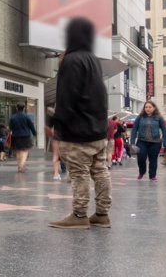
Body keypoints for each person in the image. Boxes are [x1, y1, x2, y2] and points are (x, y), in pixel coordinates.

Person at [47, 17, 111, 229]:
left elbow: (67, 97)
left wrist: (56, 123)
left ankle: (79, 214)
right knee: (100, 171)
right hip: (98, 132)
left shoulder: (71, 60)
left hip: (77, 132)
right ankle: (102, 214)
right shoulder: (93, 60)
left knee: (79, 173)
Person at [130, 101, 166, 181]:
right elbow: (134, 129)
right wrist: (132, 142)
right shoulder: (140, 117)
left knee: (153, 159)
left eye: (149, 107)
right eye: (146, 107)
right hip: (142, 141)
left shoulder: (158, 117)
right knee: (141, 157)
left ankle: (152, 176)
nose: (147, 109)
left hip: (155, 142)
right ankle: (142, 171)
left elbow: (164, 130)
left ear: (154, 108)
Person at [9, 103, 37, 172]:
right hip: (25, 136)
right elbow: (31, 126)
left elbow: (10, 127)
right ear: (24, 108)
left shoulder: (13, 117)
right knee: (24, 150)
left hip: (16, 136)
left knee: (18, 151)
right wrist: (34, 133)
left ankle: (19, 166)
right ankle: (22, 166)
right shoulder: (26, 117)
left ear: (16, 108)